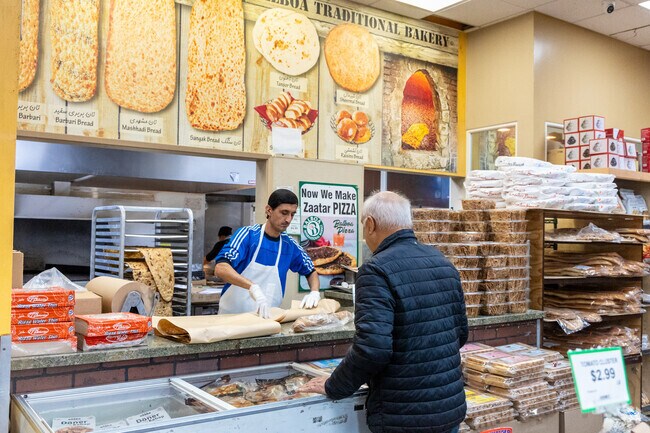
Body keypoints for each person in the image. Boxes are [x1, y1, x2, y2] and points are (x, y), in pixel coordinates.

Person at [300, 191, 468, 433]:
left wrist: (333, 386)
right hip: (448, 408)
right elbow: (460, 334)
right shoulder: (442, 262)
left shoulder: (376, 270)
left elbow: (372, 349)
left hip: (402, 415)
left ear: (371, 224)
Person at [214, 189, 321, 318]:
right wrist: (253, 287)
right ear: (269, 210)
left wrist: (314, 292)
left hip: (267, 321)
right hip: (231, 319)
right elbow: (221, 268)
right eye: (284, 213)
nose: (288, 219)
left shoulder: (290, 245)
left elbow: (310, 271)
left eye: (292, 214)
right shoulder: (248, 235)